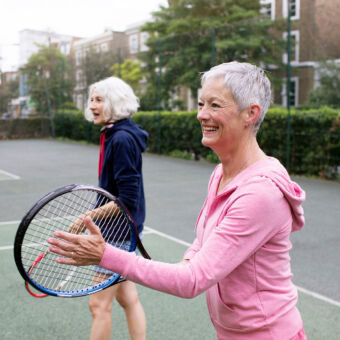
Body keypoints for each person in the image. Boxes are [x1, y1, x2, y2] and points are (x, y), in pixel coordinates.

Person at [48, 62, 307, 340]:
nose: (202, 115)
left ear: (250, 114)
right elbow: (203, 244)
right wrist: (187, 262)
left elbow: (192, 281)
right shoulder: (222, 173)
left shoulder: (260, 194)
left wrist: (105, 255)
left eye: (215, 105)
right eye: (200, 103)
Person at [81, 76, 148, 340]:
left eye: (98, 100)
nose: (92, 105)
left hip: (118, 235)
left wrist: (89, 216)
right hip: (124, 232)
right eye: (92, 99)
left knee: (98, 305)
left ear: (114, 103)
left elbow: (127, 199)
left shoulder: (120, 139)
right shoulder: (118, 134)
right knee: (128, 298)